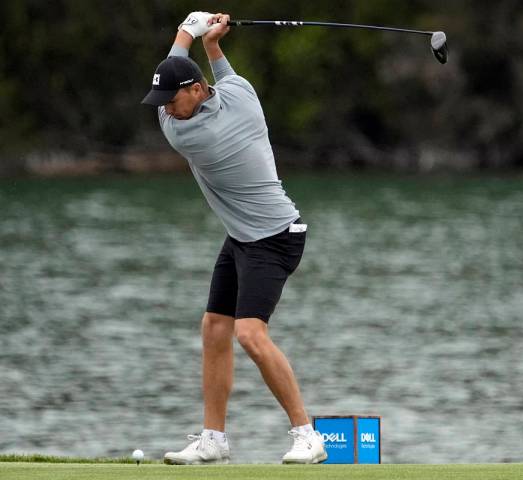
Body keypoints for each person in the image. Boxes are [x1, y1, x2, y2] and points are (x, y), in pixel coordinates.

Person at [141, 11, 326, 465]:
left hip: (276, 236)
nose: (165, 107)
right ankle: (213, 440)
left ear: (197, 91)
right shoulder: (242, 94)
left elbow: (178, 53)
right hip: (243, 236)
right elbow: (218, 69)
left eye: (171, 98)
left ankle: (308, 435)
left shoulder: (190, 134)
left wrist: (189, 30)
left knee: (249, 334)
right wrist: (212, 42)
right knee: (215, 328)